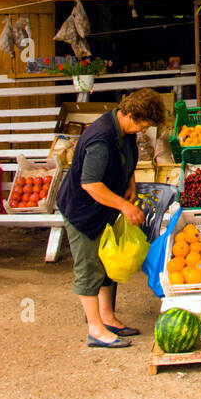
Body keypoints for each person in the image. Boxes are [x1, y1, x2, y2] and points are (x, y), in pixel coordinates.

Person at [55, 88, 167, 348]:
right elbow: (91, 184)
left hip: (104, 208)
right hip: (82, 211)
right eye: (141, 123)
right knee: (89, 267)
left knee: (106, 264)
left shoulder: (124, 131)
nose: (143, 128)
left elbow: (127, 161)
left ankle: (107, 317)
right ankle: (95, 329)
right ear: (128, 114)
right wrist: (125, 207)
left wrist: (130, 182)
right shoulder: (101, 140)